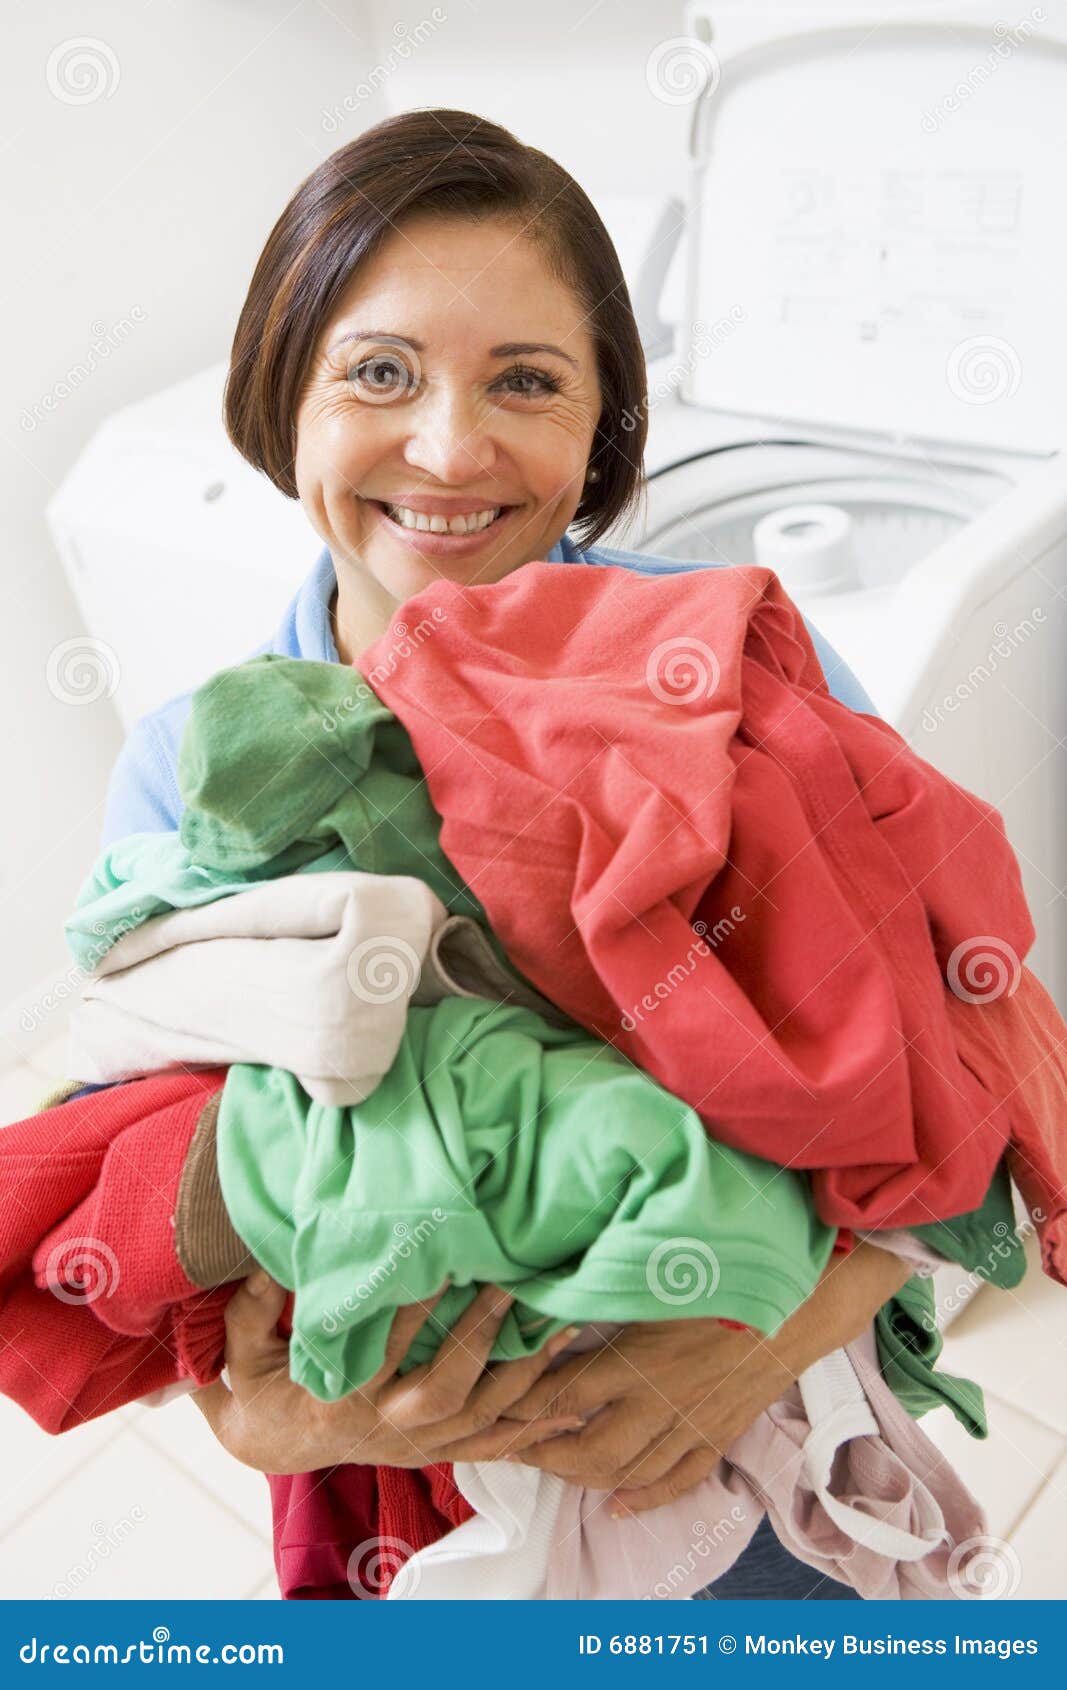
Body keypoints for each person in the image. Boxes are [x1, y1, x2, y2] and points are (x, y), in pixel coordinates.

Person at [99, 107, 911, 1598]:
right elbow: (156, 1207)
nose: (450, 448)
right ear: (286, 397)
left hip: (753, 1430)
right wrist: (267, 1419)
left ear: (602, 428)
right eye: (381, 373)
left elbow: (969, 1082)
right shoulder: (187, 779)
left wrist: (765, 1342)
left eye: (526, 381)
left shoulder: (745, 664)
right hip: (408, 1497)